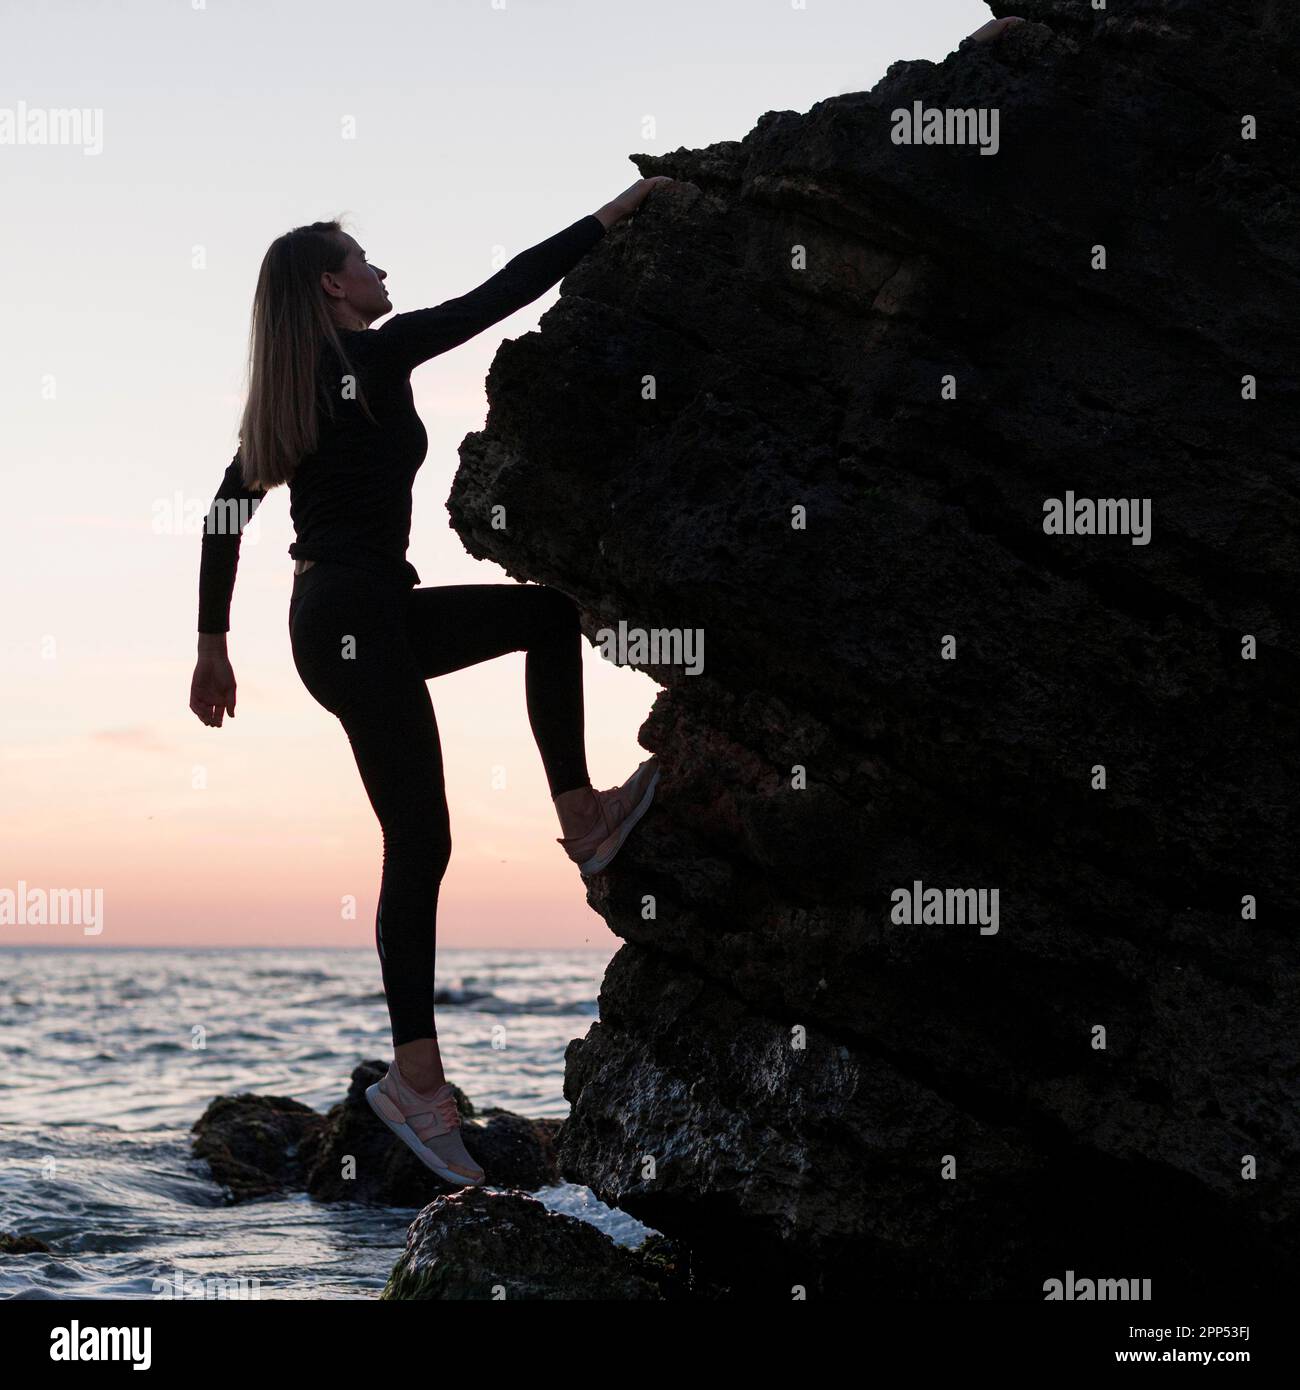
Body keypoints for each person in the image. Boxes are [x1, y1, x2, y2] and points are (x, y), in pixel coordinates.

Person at [187, 177, 672, 1186]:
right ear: (332, 286)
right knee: (422, 837)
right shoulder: (366, 353)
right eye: (363, 262)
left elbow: (222, 514)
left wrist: (216, 644)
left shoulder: (302, 387)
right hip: (354, 619)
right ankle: (416, 1083)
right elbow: (500, 293)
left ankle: (582, 814)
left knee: (544, 615)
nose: (381, 273)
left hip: (356, 613)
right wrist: (611, 214)